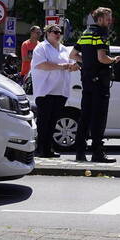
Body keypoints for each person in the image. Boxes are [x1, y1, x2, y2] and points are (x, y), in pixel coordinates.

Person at [69, 7, 120, 163]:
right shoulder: (102, 33)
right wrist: (113, 60)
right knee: (99, 117)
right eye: (107, 18)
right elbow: (102, 57)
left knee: (85, 116)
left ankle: (80, 152)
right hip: (100, 81)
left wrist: (87, 63)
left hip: (86, 80)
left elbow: (73, 55)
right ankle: (97, 152)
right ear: (100, 19)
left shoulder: (85, 33)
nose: (109, 21)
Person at [31, 23, 79, 158]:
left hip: (61, 90)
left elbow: (71, 63)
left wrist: (73, 66)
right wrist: (63, 66)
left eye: (60, 32)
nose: (58, 34)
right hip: (45, 90)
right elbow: (42, 65)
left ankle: (48, 148)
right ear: (47, 33)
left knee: (53, 121)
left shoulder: (64, 49)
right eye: (54, 32)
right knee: (43, 121)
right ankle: (40, 148)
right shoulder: (41, 48)